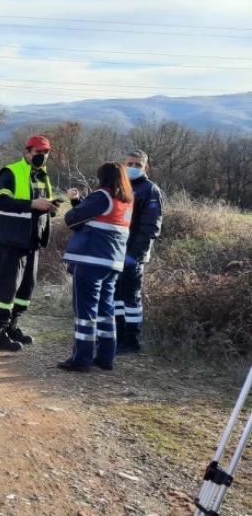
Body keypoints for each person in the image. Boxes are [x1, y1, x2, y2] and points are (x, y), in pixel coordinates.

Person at [0, 135, 59, 351]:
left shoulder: (43, 176)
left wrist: (50, 208)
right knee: (7, 287)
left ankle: (11, 326)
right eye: (38, 152)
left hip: (32, 241)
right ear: (27, 152)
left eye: (45, 153)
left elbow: (40, 207)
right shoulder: (11, 171)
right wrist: (32, 204)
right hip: (11, 239)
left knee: (26, 288)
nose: (42, 156)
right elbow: (0, 202)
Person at [57, 162, 134, 372]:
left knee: (85, 311)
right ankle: (105, 357)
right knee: (105, 310)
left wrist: (75, 203)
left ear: (103, 177)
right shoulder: (126, 200)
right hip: (113, 263)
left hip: (91, 260)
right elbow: (97, 219)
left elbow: (72, 220)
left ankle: (81, 359)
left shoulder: (102, 196)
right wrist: (79, 202)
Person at [114, 150, 163, 354]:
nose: (132, 167)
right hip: (115, 251)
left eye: (137, 164)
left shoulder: (150, 190)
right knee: (115, 296)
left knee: (130, 298)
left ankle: (132, 339)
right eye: (129, 163)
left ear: (145, 167)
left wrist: (134, 255)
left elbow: (151, 227)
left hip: (134, 254)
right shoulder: (120, 187)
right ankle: (116, 334)